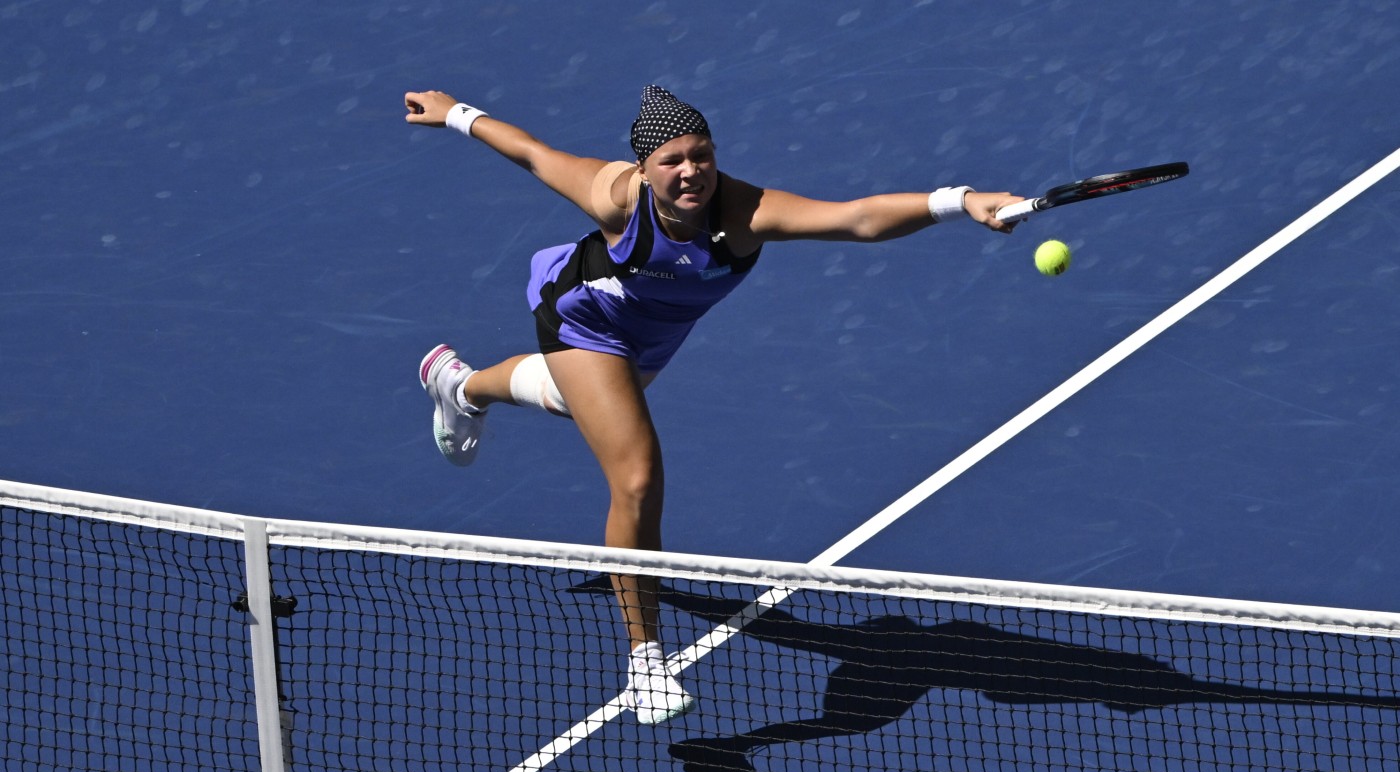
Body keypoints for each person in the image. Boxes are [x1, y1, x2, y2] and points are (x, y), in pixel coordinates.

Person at [403, 85, 1023, 725]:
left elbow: (858, 218)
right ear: (643, 169)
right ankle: (645, 663)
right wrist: (457, 115)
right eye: (672, 161)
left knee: (570, 401)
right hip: (587, 320)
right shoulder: (615, 197)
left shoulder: (746, 212)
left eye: (701, 155)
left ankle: (460, 386)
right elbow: (534, 153)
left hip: (656, 335)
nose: (691, 171)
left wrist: (962, 200)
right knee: (637, 478)